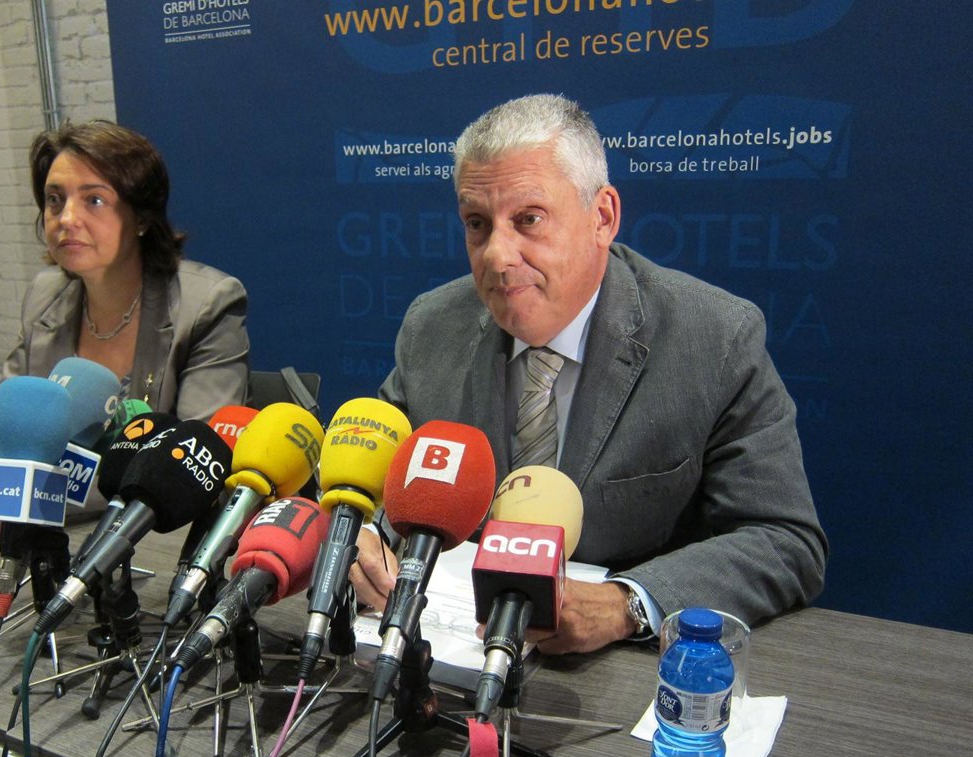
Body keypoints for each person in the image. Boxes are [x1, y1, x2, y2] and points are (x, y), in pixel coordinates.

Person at [350, 95, 827, 654]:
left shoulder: (715, 338)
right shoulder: (432, 328)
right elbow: (380, 486)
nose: (497, 255)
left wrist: (627, 604)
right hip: (450, 649)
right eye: (477, 224)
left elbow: (784, 540)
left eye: (528, 220)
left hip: (619, 671)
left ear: (602, 217)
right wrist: (363, 536)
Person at [0, 120, 249, 536]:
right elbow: (6, 423)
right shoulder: (45, 295)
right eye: (55, 200)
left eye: (94, 200)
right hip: (56, 536)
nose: (67, 218)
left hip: (156, 536)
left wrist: (31, 500)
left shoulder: (207, 304)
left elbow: (190, 459)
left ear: (141, 217)